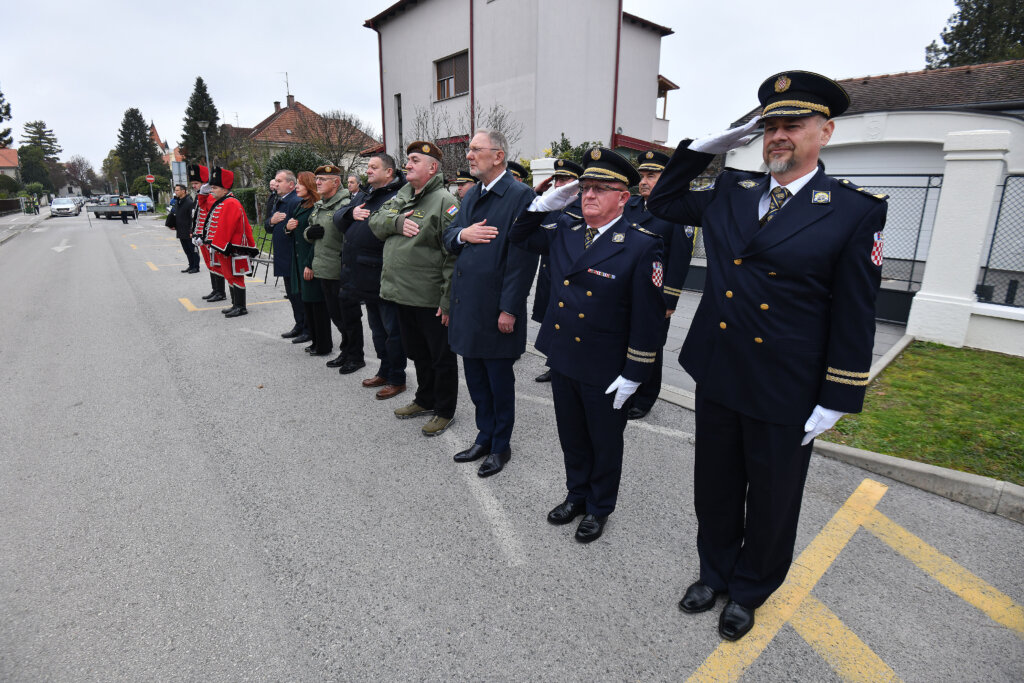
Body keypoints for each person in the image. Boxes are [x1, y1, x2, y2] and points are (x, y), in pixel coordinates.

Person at [647, 71, 887, 642]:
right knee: (717, 485)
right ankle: (714, 573)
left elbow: (856, 310)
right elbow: (663, 200)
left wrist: (839, 393)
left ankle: (751, 588)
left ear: (824, 132)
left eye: (793, 126)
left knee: (775, 497)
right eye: (770, 127)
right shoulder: (734, 192)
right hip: (721, 369)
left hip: (788, 384)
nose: (778, 137)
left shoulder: (853, 210)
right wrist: (704, 150)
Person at [509, 147, 665, 543]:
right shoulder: (567, 229)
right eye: (585, 188)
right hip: (564, 355)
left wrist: (635, 373)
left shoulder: (641, 244)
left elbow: (647, 320)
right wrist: (545, 201)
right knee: (572, 435)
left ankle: (599, 507)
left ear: (623, 197)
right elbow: (519, 235)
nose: (589, 195)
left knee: (604, 442)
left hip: (606, 364)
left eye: (601, 188)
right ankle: (576, 494)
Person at [443, 129, 538, 478]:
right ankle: (484, 436)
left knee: (499, 382)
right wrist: (463, 234)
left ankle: (500, 446)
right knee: (477, 380)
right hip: (468, 306)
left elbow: (523, 259)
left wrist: (510, 308)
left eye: (474, 149)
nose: (468, 155)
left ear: (498, 156)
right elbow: (449, 236)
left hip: (496, 309)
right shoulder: (472, 196)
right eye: (468, 149)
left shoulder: (520, 195)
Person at [369, 141, 460, 437]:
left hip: (430, 296)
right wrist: (395, 222)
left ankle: (444, 410)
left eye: (415, 160)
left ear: (432, 168)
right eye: (408, 160)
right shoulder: (403, 195)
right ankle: (425, 399)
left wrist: (447, 301)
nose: (408, 164)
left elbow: (452, 256)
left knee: (440, 356)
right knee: (417, 352)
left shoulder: (445, 201)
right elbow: (375, 222)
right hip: (401, 293)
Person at [622, 150, 694, 420]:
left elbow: (680, 258)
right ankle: (627, 385)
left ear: (665, 178)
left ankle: (646, 396)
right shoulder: (629, 206)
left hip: (654, 293)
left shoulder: (677, 210)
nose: (643, 181)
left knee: (650, 344)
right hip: (625, 289)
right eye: (642, 175)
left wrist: (670, 300)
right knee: (625, 338)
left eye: (651, 176)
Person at [335, 153, 408, 399]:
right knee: (377, 330)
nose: (368, 171)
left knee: (392, 331)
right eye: (368, 167)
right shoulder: (367, 194)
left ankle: (398, 377)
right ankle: (384, 370)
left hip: (383, 273)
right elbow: (338, 217)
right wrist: (350, 214)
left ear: (389, 172)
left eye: (373, 167)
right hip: (364, 275)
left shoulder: (399, 195)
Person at [530, 158, 583, 383]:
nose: (560, 184)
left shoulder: (581, 209)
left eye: (565, 179)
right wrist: (535, 194)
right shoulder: (552, 204)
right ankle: (554, 365)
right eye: (557, 179)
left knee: (568, 325)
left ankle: (567, 367)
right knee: (551, 322)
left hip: (568, 279)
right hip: (548, 274)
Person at [304, 165, 355, 370]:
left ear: (336, 182)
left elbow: (350, 238)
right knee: (335, 314)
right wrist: (310, 233)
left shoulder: (344, 205)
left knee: (347, 316)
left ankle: (353, 354)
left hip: (339, 269)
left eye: (323, 179)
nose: (317, 182)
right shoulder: (320, 205)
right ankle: (346, 350)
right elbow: (309, 230)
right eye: (317, 179)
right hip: (324, 268)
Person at [285, 171, 331, 354]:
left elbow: (318, 239)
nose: (296, 186)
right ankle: (314, 340)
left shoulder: (316, 207)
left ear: (309, 185)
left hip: (309, 260)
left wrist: (309, 264)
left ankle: (323, 344)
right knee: (307, 302)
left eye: (300, 183)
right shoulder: (301, 205)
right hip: (299, 261)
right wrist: (287, 229)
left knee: (317, 304)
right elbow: (293, 229)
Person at [204, 166, 259, 318]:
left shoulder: (230, 203)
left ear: (224, 188)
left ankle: (241, 307)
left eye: (215, 187)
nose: (212, 190)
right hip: (225, 246)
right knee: (229, 275)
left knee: (236, 276)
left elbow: (226, 227)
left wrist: (218, 245)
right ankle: (235, 304)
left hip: (232, 247)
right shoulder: (223, 202)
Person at [269, 170, 307, 342]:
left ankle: (307, 328)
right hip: (283, 255)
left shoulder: (295, 201)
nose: (275, 184)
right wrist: (272, 221)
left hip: (293, 256)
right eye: (275, 181)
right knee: (292, 295)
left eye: (279, 181)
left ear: (291, 184)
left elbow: (298, 230)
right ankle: (299, 325)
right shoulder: (280, 201)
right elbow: (267, 226)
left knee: (298, 294)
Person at [189, 164, 226, 303]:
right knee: (209, 263)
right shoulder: (201, 196)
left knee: (215, 264)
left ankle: (220, 291)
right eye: (193, 183)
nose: (194, 186)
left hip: (209, 237)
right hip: (202, 237)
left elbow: (212, 218)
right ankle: (215, 289)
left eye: (196, 183)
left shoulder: (210, 197)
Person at [170, 183, 198, 273]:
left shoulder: (189, 202)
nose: (176, 192)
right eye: (175, 190)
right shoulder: (178, 201)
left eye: (177, 190)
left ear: (183, 191)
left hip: (188, 231)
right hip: (181, 230)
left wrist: (191, 231)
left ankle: (196, 267)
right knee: (187, 250)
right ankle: (191, 265)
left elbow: (192, 218)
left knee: (193, 250)